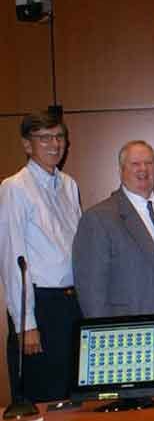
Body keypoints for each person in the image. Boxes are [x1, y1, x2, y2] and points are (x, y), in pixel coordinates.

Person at [73, 141, 154, 344]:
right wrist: (107, 342)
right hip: (134, 339)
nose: (143, 169)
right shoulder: (99, 218)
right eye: (135, 164)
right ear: (121, 170)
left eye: (149, 163)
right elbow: (92, 294)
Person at [0, 112, 83, 402]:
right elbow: (13, 259)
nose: (54, 144)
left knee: (75, 395)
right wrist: (27, 323)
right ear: (26, 145)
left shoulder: (69, 184)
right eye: (44, 138)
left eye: (59, 137)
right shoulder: (14, 188)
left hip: (72, 303)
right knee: (43, 398)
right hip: (40, 306)